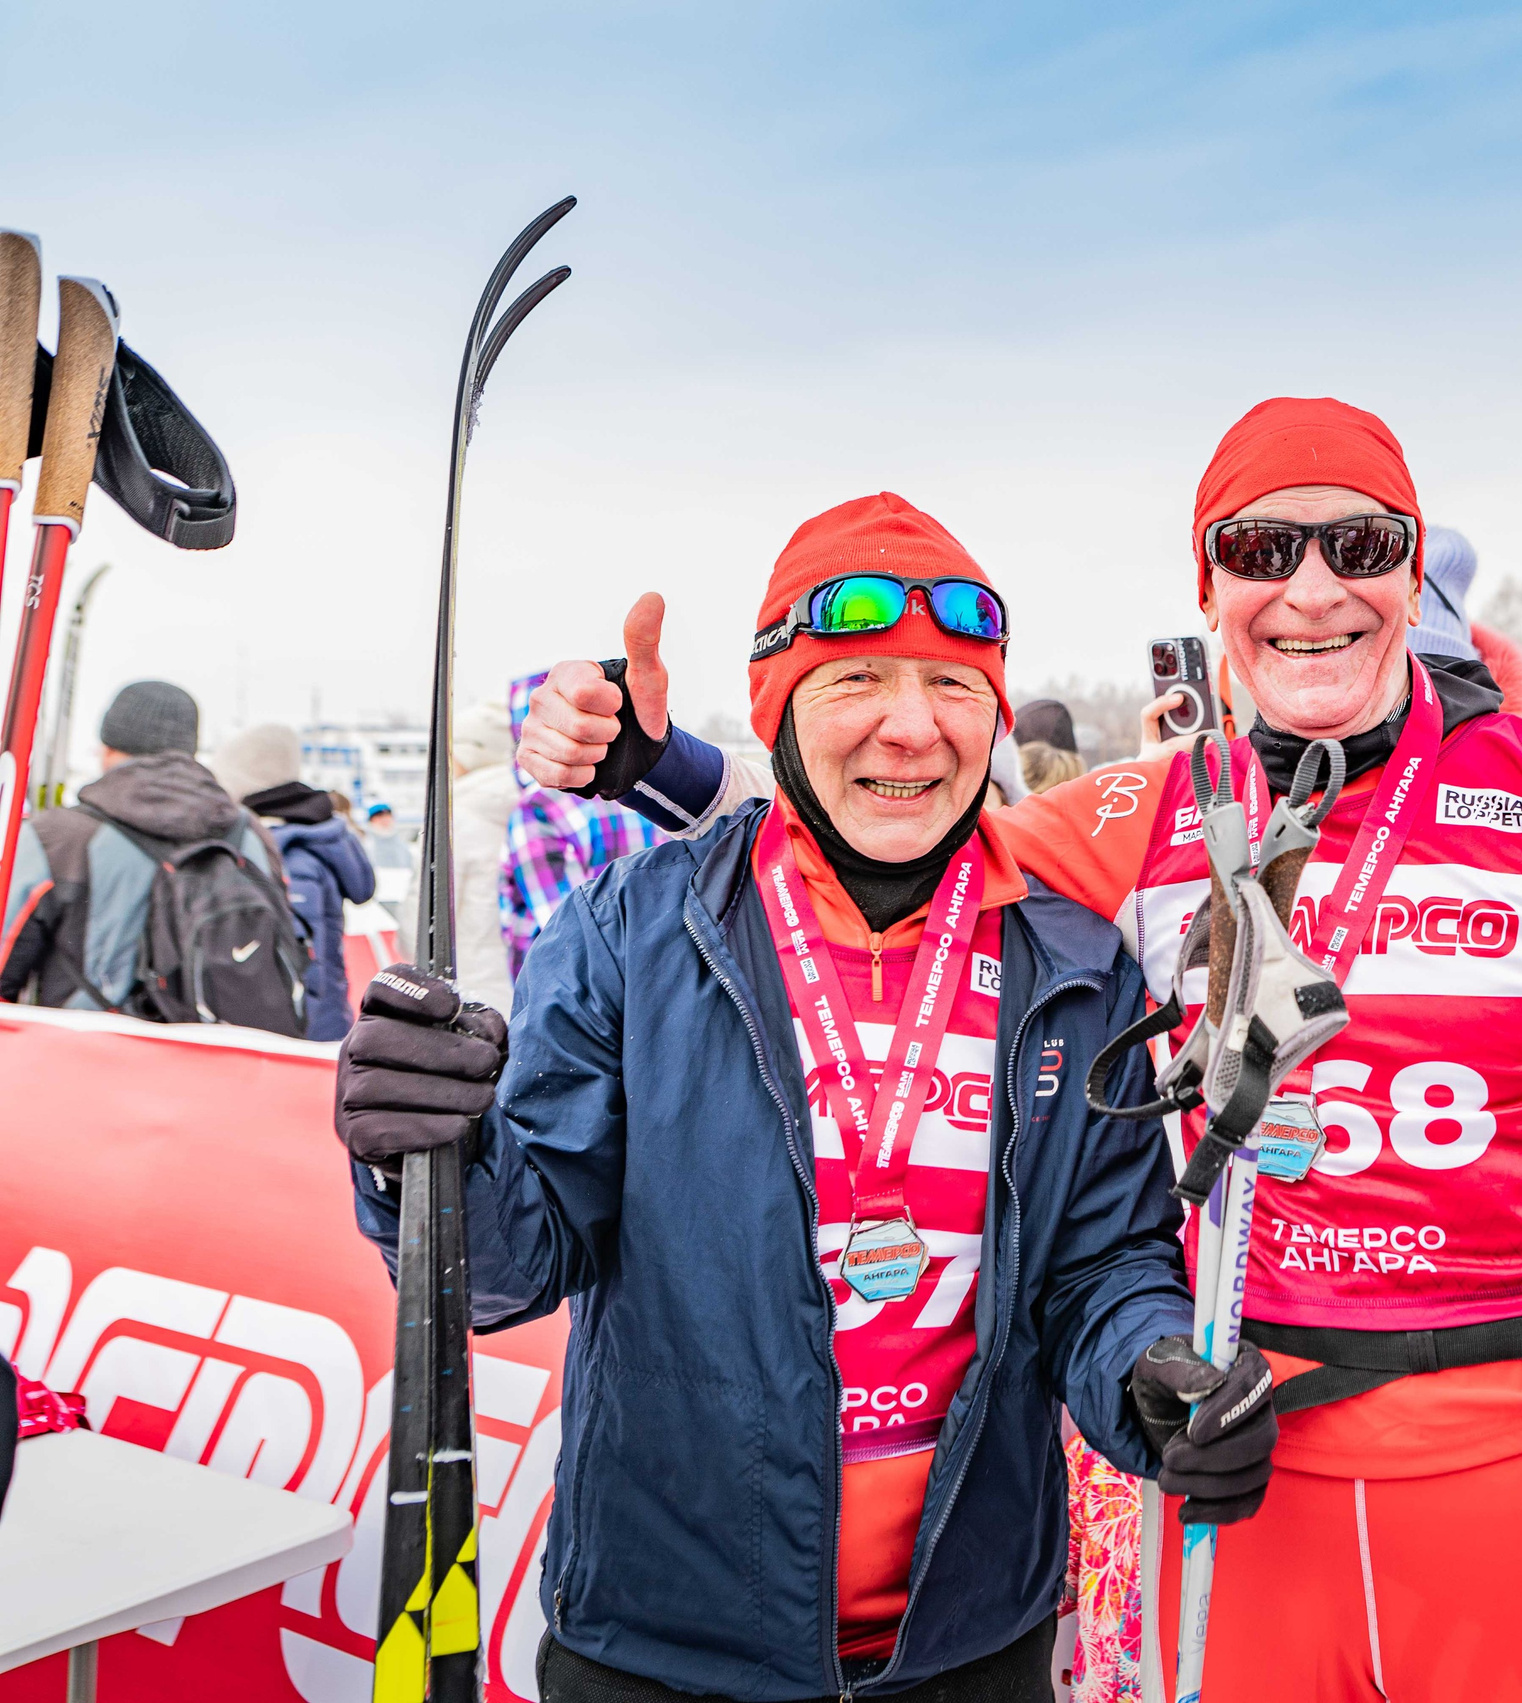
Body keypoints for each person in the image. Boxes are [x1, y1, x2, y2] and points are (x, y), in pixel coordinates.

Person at [516, 398, 1522, 1702]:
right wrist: (663, 760)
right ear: (1213, 583)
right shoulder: (1144, 814)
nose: (1313, 587)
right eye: (1262, 548)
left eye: (1360, 544)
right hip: (1253, 1463)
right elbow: (887, 821)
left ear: (1411, 569)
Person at [332, 493, 1262, 1700]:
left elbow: (1102, 1263)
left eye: (954, 686)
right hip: (667, 1642)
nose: (912, 729)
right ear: (776, 710)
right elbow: (509, 1268)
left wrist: (1150, 1363)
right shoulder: (638, 928)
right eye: (857, 680)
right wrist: (430, 1150)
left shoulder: (1069, 962)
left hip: (968, 1642)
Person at [1, 681, 286, 1012]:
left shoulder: (54, 837)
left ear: (108, 749)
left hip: (87, 1052)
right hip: (219, 1052)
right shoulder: (251, 833)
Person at [213, 723, 377, 1042]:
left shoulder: (280, 852)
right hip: (323, 1017)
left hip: (295, 1029)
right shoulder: (319, 838)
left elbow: (295, 959)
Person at [497, 672, 665, 977]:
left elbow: (564, 932)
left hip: (575, 1001)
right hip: (656, 978)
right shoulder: (644, 789)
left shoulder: (538, 808)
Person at [447, 699, 518, 1007]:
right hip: (531, 981)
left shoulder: (455, 815)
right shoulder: (538, 806)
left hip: (470, 990)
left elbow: (423, 918)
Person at [363, 801, 415, 926]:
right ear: (371, 821)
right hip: (376, 903)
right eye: (379, 817)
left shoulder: (406, 847)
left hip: (404, 900)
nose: (384, 820)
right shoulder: (365, 846)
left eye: (387, 816)